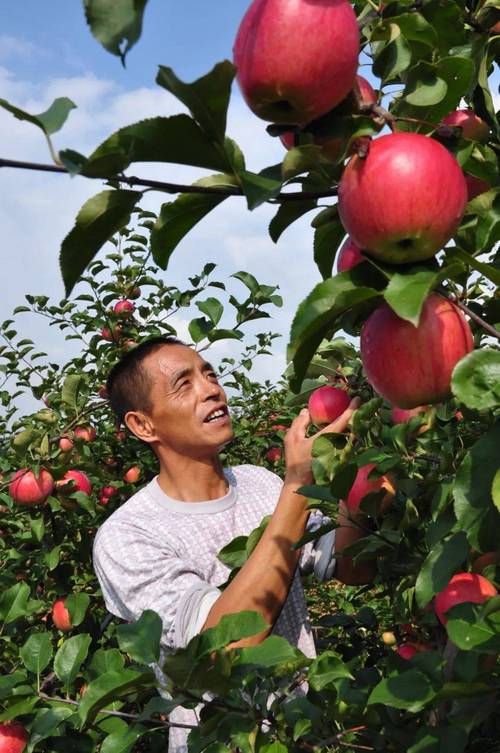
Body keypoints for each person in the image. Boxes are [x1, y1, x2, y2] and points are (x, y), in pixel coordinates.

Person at [92, 336, 369, 753]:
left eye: (210, 374)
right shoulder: (128, 536)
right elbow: (227, 644)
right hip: (221, 742)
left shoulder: (259, 481)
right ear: (142, 425)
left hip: (305, 731)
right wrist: (299, 485)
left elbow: (353, 566)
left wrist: (359, 473)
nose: (211, 389)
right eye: (183, 384)